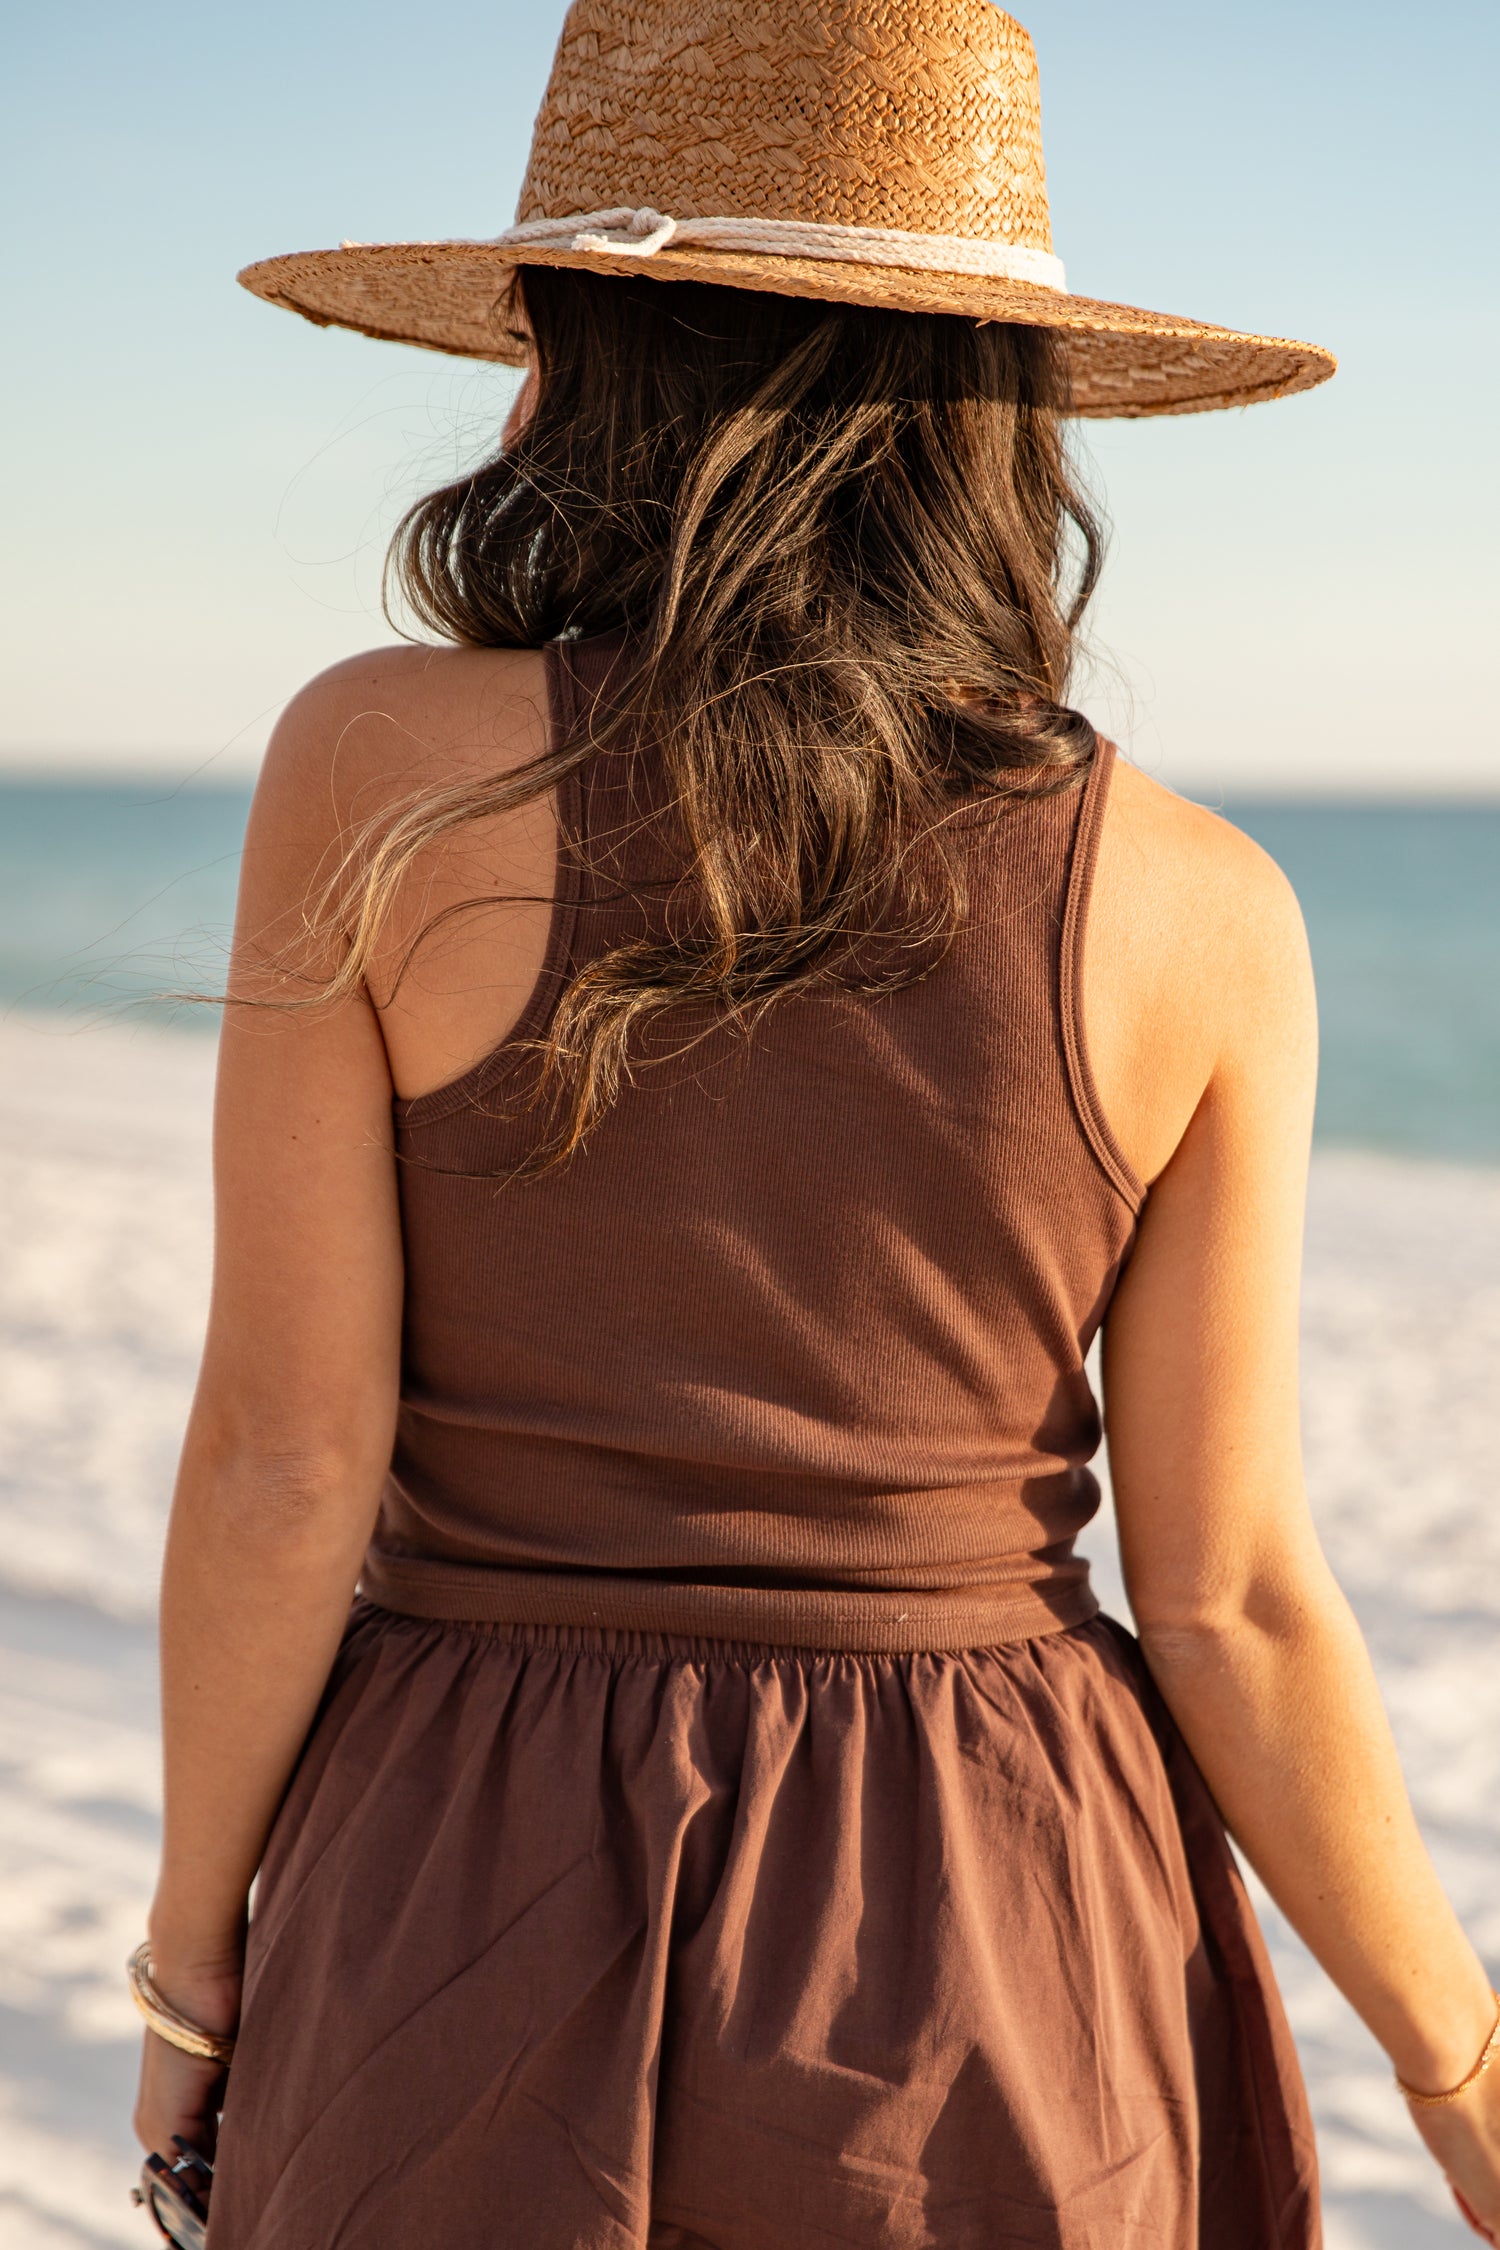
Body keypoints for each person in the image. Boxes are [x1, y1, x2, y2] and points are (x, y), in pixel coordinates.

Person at [129, 3, 1500, 2244]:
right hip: (997, 1909)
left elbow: (286, 1464)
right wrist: (1461, 2068)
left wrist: (193, 1968)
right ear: (1000, 416)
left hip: (464, 1871)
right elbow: (1233, 1596)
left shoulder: (382, 770)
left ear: (588, 354)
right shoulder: (1205, 907)